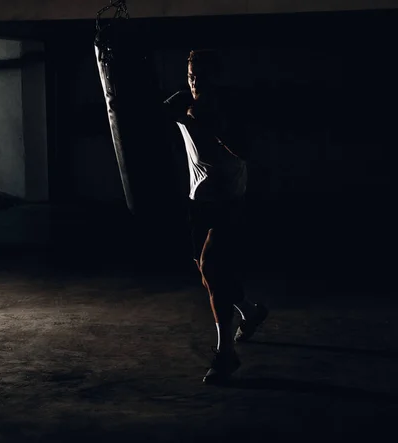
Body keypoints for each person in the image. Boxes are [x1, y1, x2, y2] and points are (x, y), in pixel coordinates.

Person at [164, 49, 268, 384]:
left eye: (201, 78)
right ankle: (250, 311)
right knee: (210, 275)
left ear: (215, 78)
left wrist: (214, 125)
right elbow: (151, 115)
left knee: (212, 267)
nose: (195, 84)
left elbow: (247, 150)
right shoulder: (182, 101)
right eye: (191, 76)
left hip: (229, 200)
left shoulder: (230, 107)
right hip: (199, 201)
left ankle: (225, 355)